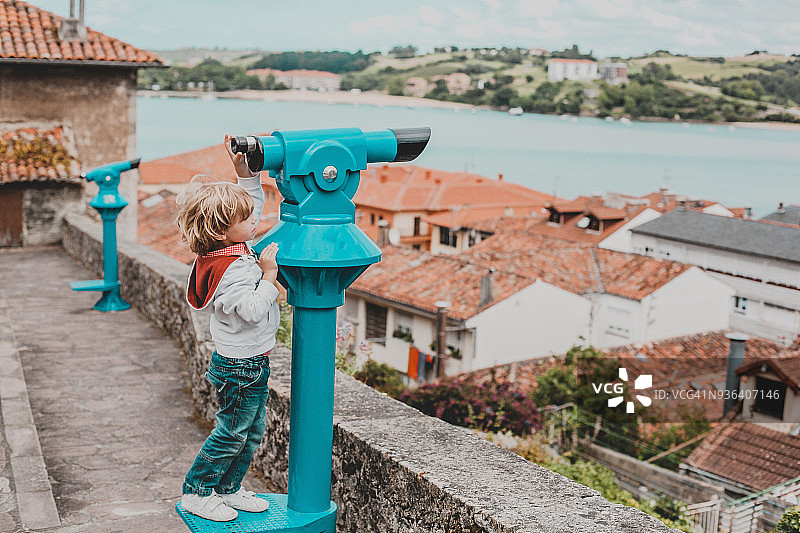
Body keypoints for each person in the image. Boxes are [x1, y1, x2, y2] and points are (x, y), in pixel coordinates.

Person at [175, 134, 280, 522]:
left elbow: (246, 207)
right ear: (224, 230)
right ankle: (197, 492)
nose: (256, 220)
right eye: (247, 220)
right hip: (241, 366)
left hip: (247, 361)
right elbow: (252, 310)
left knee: (250, 432)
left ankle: (227, 489)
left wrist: (244, 175)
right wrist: (269, 279)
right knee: (232, 432)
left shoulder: (223, 250)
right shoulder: (233, 268)